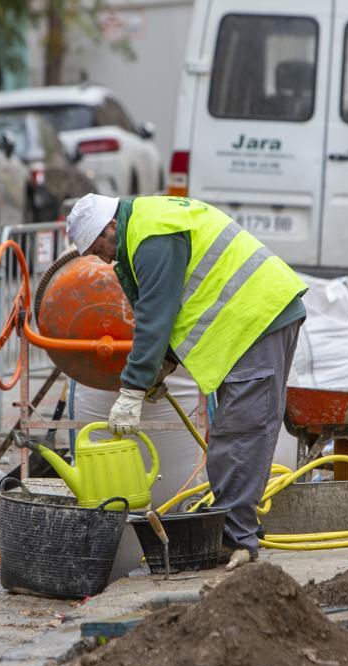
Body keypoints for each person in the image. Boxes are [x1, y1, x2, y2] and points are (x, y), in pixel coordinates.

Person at [65, 193, 307, 569]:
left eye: (99, 246)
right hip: (247, 324)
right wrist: (161, 367)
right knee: (234, 433)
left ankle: (235, 539)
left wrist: (132, 389)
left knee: (241, 433)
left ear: (111, 226)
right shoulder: (146, 226)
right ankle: (233, 528)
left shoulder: (151, 234)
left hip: (258, 318)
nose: (103, 258)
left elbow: (156, 316)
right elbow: (177, 305)